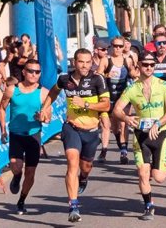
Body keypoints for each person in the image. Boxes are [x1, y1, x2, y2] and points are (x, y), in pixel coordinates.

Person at [48, 48, 110, 223]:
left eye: (88, 62)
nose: (84, 65)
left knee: (85, 167)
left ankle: (84, 179)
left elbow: (106, 106)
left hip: (91, 131)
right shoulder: (64, 79)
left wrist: (86, 104)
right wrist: (46, 107)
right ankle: (73, 206)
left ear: (92, 63)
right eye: (81, 61)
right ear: (74, 62)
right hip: (71, 127)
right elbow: (53, 91)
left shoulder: (97, 79)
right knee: (71, 164)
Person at [114, 55, 166, 221]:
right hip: (141, 134)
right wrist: (126, 118)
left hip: (161, 134)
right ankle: (148, 206)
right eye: (145, 65)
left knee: (159, 178)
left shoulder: (163, 85)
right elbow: (116, 109)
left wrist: (157, 124)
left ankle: (153, 169)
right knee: (143, 173)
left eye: (152, 65)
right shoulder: (132, 88)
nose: (149, 68)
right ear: (138, 66)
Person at [0, 60, 52, 215]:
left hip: (33, 136)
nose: (34, 74)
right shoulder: (12, 90)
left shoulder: (43, 92)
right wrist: (3, 130)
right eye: (30, 71)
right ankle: (16, 176)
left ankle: (22, 200)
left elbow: (48, 117)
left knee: (31, 173)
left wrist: (42, 118)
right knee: (16, 166)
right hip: (16, 134)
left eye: (37, 72)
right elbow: (1, 108)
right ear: (24, 72)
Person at [99, 37, 135, 163]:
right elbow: (98, 76)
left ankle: (123, 152)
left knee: (123, 122)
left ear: (123, 47)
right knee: (112, 127)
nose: (118, 49)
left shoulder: (128, 60)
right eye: (115, 46)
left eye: (120, 46)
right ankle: (120, 146)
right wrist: (105, 75)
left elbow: (133, 73)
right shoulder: (105, 60)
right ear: (111, 46)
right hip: (109, 96)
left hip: (123, 96)